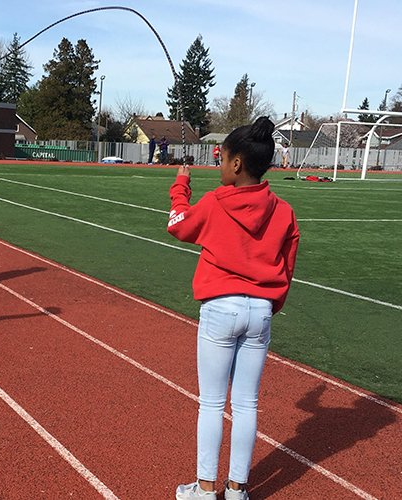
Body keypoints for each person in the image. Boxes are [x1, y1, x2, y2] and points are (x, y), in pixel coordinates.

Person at [167, 116, 300, 500]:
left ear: (237, 163)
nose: (220, 165)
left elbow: (178, 224)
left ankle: (206, 489)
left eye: (222, 159)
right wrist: (271, 305)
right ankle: (237, 489)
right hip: (260, 311)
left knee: (211, 402)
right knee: (246, 404)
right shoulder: (283, 211)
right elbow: (287, 265)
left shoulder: (215, 203)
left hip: (221, 308)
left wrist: (180, 185)